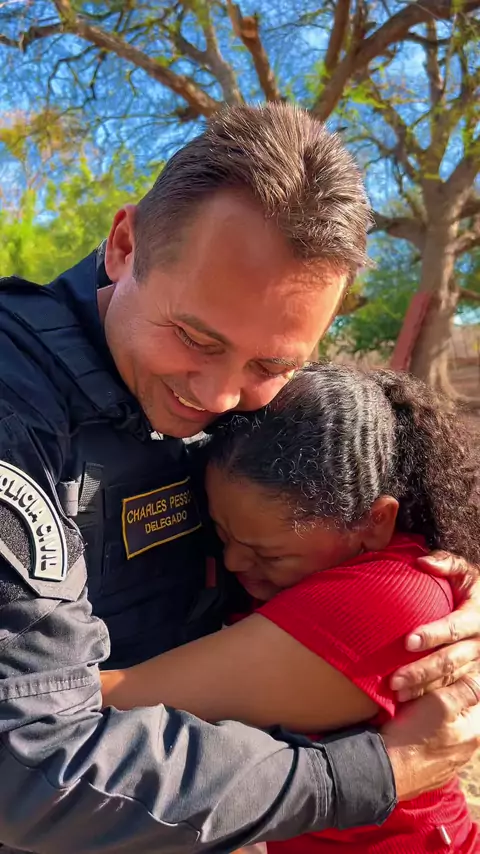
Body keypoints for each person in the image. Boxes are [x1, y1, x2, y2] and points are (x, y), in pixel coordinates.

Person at [0, 102, 479, 853]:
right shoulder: (18, 409)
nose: (221, 396)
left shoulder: (241, 392)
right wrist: (373, 772)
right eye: (195, 338)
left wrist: (456, 581)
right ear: (124, 246)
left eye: (272, 364)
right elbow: (28, 770)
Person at [101, 363, 480, 852]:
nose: (234, 561)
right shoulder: (312, 562)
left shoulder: (390, 605)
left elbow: (120, 695)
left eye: (269, 554)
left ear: (374, 522)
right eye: (222, 534)